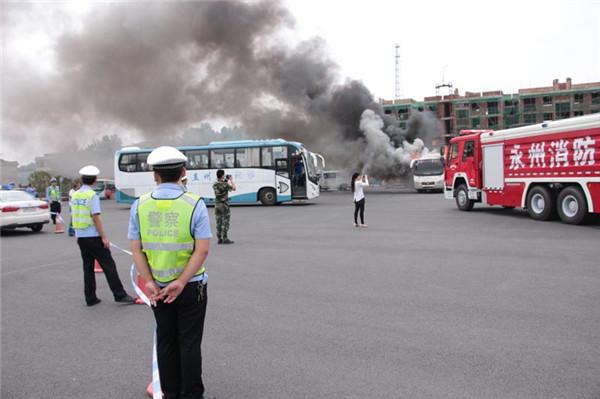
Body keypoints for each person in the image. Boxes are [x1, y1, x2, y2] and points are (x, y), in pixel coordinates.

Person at [128, 146, 211, 399]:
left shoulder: (139, 205)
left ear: (155, 175)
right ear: (183, 172)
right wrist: (182, 281)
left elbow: (136, 249)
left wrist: (149, 283)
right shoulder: (195, 204)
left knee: (165, 340)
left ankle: (170, 392)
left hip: (158, 289)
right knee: (189, 342)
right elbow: (202, 250)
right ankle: (192, 394)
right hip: (191, 287)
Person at [71, 165, 135, 306]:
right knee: (109, 265)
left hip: (81, 237)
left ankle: (90, 297)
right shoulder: (92, 196)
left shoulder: (75, 195)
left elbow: (75, 215)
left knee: (87, 268)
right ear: (94, 181)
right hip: (93, 236)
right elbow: (96, 218)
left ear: (82, 179)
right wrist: (104, 238)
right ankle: (119, 294)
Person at [212, 169, 236, 244]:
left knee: (218, 221)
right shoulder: (225, 184)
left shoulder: (215, 184)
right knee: (225, 221)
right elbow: (234, 188)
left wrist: (226, 180)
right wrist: (231, 180)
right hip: (224, 205)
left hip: (217, 205)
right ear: (222, 175)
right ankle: (225, 238)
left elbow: (217, 193)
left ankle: (219, 238)